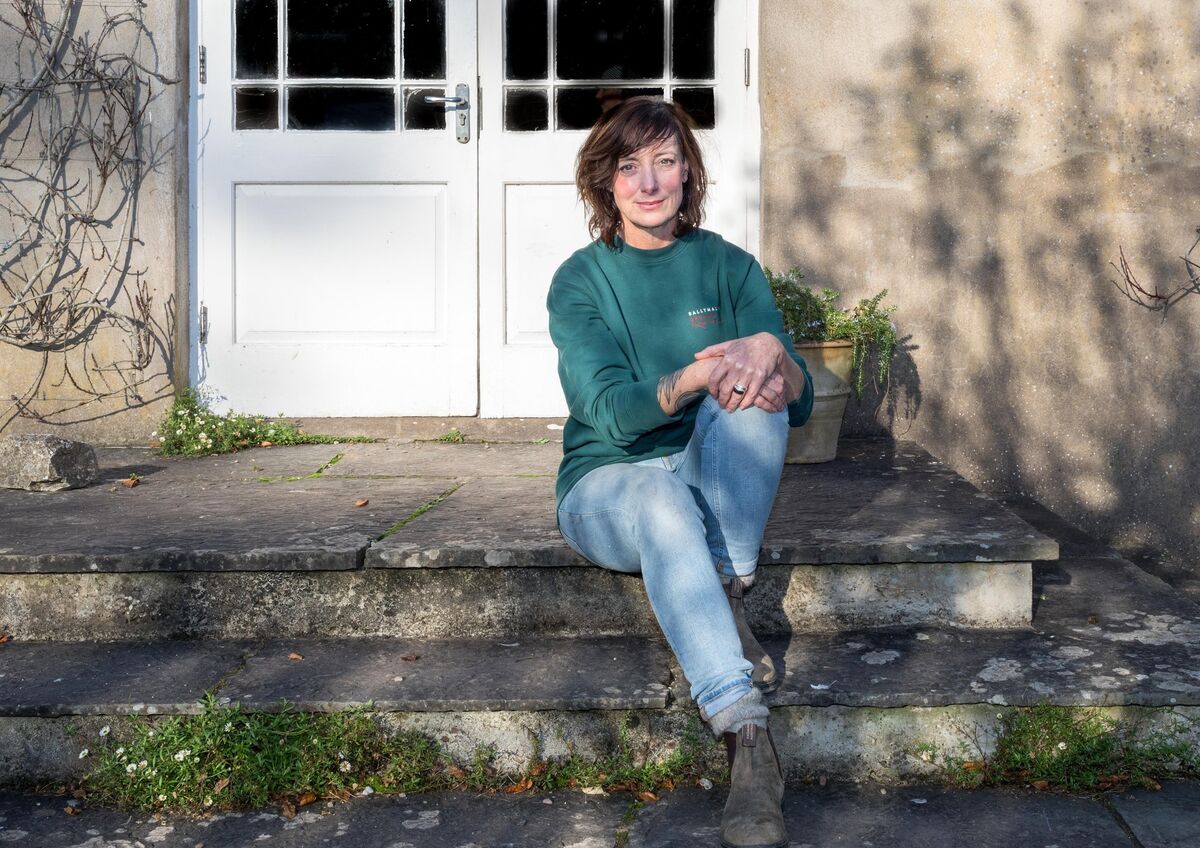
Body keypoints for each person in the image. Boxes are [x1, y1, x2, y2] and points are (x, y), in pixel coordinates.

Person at [546, 97, 814, 848]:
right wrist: (699, 377)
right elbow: (611, 412)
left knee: (759, 389)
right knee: (663, 483)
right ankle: (746, 736)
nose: (649, 182)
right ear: (605, 185)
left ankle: (723, 588)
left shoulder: (728, 265)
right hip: (608, 486)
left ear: (689, 174)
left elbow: (801, 403)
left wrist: (770, 356)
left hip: (703, 474)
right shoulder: (581, 281)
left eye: (665, 162)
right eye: (628, 167)